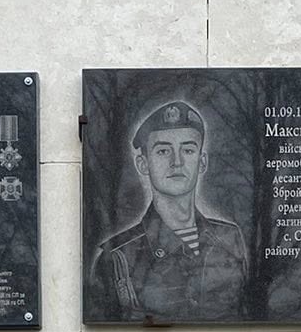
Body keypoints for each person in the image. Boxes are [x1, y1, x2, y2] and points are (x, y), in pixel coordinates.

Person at [90, 98, 249, 320]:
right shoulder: (118, 257)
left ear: (202, 162)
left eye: (188, 150)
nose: (177, 162)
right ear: (143, 164)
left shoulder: (230, 239)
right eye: (163, 151)